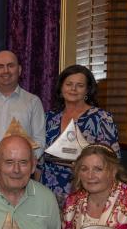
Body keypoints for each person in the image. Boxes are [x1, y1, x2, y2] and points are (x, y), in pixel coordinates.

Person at [39, 65, 121, 202]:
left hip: (85, 186)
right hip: (48, 186)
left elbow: (112, 159)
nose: (73, 89)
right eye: (69, 84)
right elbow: (39, 158)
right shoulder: (48, 117)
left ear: (87, 90)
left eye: (80, 85)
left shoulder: (101, 118)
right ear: (61, 88)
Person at [0, 50, 46, 157]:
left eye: (10, 66)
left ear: (19, 70)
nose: (6, 71)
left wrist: (22, 162)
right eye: (0, 67)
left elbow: (39, 141)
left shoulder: (33, 102)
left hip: (22, 167)